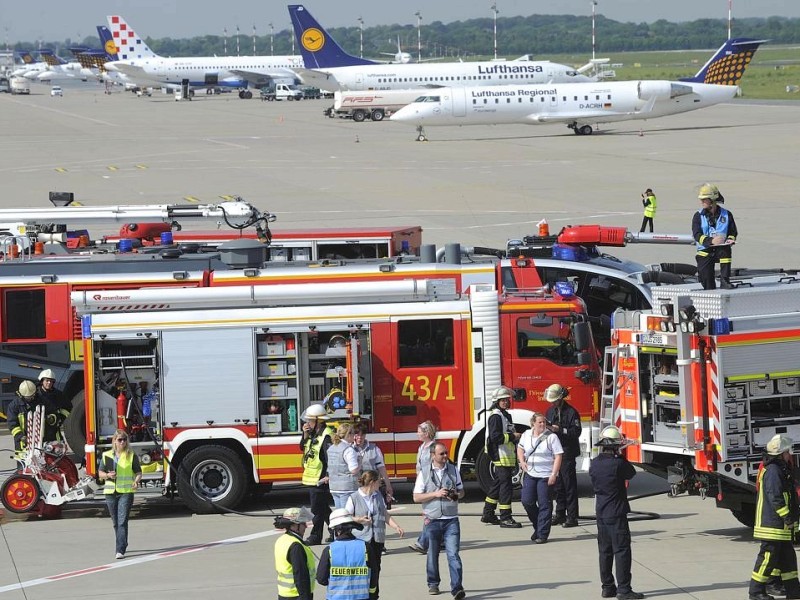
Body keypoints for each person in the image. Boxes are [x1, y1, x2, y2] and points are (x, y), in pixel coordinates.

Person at [589, 426, 643, 600]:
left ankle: (607, 587)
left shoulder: (595, 463)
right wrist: (621, 453)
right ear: (615, 446)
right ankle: (624, 590)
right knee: (621, 550)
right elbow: (631, 473)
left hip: (601, 512)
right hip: (616, 512)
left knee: (604, 551)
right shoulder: (618, 463)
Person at [748, 434, 800, 600]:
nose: (789, 455)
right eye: (787, 452)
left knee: (788, 560)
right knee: (767, 558)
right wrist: (788, 517)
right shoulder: (773, 471)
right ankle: (755, 592)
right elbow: (775, 497)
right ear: (780, 453)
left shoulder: (781, 469)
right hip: (772, 525)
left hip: (781, 527)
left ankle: (793, 592)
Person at [413, 442, 466, 600]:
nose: (445, 456)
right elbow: (416, 497)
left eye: (446, 453)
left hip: (451, 519)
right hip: (432, 519)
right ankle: (433, 583)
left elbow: (462, 491)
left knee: (453, 554)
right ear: (433, 455)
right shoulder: (424, 472)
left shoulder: (453, 470)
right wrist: (435, 494)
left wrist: (456, 495)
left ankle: (457, 588)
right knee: (432, 554)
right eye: (441, 454)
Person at [347, 470, 405, 598]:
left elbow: (384, 514)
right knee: (362, 569)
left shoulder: (378, 495)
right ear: (372, 483)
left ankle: (374, 595)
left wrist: (396, 526)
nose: (380, 484)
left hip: (377, 540)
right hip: (361, 541)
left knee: (376, 568)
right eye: (379, 481)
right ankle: (361, 594)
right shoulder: (354, 498)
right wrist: (359, 520)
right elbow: (347, 518)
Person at [517, 412, 563, 544]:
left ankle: (542, 534)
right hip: (530, 473)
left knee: (544, 505)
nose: (542, 425)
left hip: (546, 475)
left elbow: (558, 456)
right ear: (533, 424)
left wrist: (554, 474)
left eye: (544, 422)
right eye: (540, 422)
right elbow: (520, 449)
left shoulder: (552, 437)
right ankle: (538, 526)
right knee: (527, 501)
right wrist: (522, 461)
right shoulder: (526, 435)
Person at [97, 429, 142, 559]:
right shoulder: (106, 456)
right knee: (115, 522)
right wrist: (107, 475)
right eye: (120, 439)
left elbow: (138, 472)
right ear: (114, 441)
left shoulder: (131, 456)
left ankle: (120, 549)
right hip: (110, 492)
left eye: (124, 439)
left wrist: (136, 481)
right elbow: (99, 473)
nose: (122, 442)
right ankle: (123, 542)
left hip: (126, 492)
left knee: (122, 521)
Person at [316, 508, 379, 600]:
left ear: (336, 530)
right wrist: (372, 594)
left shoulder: (329, 550)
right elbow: (374, 573)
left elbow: (321, 579)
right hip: (362, 597)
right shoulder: (365, 547)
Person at [481, 386, 522, 528]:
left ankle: (488, 513)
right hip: (500, 455)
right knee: (506, 487)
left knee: (498, 484)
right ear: (496, 401)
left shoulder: (505, 415)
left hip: (506, 456)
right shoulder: (495, 416)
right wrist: (512, 436)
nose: (506, 402)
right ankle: (505, 517)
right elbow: (495, 437)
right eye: (502, 400)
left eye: (507, 399)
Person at [545, 383, 582, 528]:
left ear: (561, 398)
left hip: (567, 452)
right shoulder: (550, 411)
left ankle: (572, 517)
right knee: (558, 486)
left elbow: (576, 432)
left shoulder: (572, 412)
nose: (553, 403)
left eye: (555, 400)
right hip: (554, 453)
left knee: (569, 485)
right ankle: (560, 513)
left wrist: (560, 430)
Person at [300, 403, 336, 545]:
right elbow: (302, 447)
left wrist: (328, 475)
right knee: (322, 508)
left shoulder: (326, 436)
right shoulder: (313, 434)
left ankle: (315, 536)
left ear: (318, 421)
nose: (307, 423)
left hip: (320, 478)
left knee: (317, 509)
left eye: (310, 420)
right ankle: (336, 530)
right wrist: (305, 434)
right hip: (312, 478)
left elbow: (330, 459)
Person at [692, 183, 738, 290]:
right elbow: (697, 235)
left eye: (704, 199)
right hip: (705, 251)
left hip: (720, 249)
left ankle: (725, 280)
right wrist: (711, 241)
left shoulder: (727, 214)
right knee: (707, 283)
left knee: (725, 250)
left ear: (712, 200)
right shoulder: (698, 216)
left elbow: (733, 231)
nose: (701, 202)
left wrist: (730, 239)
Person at [7, 380, 60, 457]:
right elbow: (12, 425)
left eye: (32, 396)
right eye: (28, 397)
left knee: (44, 466)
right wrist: (21, 436)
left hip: (42, 442)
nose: (31, 399)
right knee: (24, 467)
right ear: (21, 395)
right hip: (23, 445)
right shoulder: (14, 406)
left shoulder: (42, 401)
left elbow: (54, 413)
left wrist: (51, 418)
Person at [273, 506, 316, 600]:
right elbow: (300, 575)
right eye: (302, 523)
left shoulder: (282, 540)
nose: (305, 526)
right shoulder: (296, 546)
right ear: (294, 526)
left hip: (284, 594)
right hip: (297, 595)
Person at [409, 420, 437, 555]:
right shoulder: (422, 447)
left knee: (429, 515)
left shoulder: (434, 447)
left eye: (419, 432)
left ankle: (422, 542)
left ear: (426, 433)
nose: (417, 434)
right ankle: (438, 540)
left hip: (432, 484)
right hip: (423, 483)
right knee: (431, 514)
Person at [352, 423, 395, 511]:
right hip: (355, 486)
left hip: (372, 486)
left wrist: (388, 485)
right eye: (357, 435)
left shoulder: (375, 449)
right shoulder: (349, 449)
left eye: (362, 435)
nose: (360, 437)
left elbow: (382, 468)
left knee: (375, 510)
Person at [328, 422, 361, 509]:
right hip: (347, 487)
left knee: (340, 515)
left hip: (334, 486)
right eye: (353, 433)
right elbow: (353, 470)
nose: (354, 435)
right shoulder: (348, 450)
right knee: (347, 515)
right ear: (348, 434)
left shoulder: (332, 448)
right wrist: (360, 461)